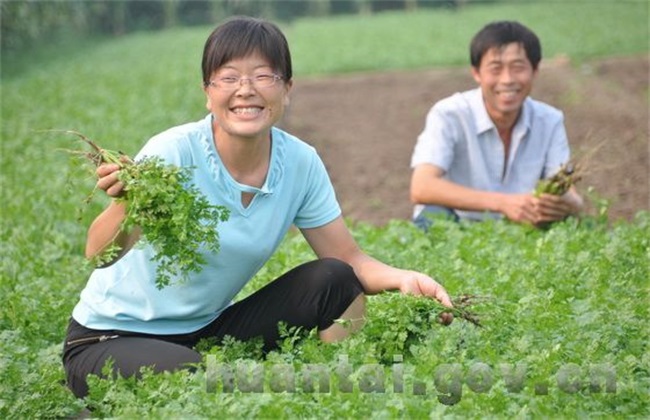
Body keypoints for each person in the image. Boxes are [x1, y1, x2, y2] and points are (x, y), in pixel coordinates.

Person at [62, 16, 452, 399]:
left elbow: (349, 258)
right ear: (207, 92)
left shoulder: (300, 162)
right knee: (197, 378)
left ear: (287, 89)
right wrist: (126, 206)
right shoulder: (173, 153)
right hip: (108, 339)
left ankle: (341, 393)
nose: (246, 90)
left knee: (335, 277)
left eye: (263, 76)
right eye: (229, 77)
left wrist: (405, 279)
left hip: (206, 330)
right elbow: (98, 256)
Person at [410, 20, 584, 230]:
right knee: (433, 218)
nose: (507, 79)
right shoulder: (449, 114)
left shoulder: (550, 120)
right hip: (457, 221)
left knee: (564, 223)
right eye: (495, 68)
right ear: (477, 73)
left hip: (519, 226)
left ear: (535, 71)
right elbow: (421, 187)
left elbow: (566, 188)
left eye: (518, 67)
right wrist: (503, 203)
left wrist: (572, 205)